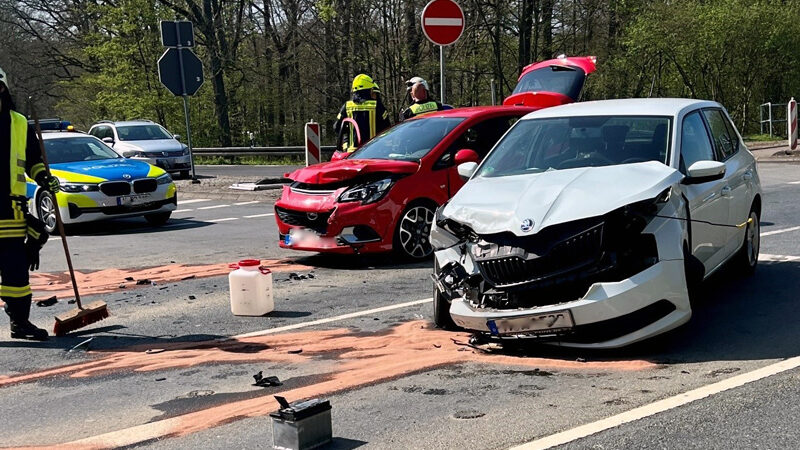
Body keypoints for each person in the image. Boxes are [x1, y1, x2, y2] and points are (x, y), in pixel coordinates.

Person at [0, 66, 58, 341]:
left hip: (10, 211)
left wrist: (44, 178)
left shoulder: (19, 123)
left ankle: (20, 324)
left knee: (15, 273)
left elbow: (33, 160)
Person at [334, 74, 391, 152]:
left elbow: (337, 127)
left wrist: (349, 133)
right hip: (373, 152)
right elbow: (387, 129)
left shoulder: (347, 106)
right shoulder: (377, 106)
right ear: (370, 90)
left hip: (352, 153)